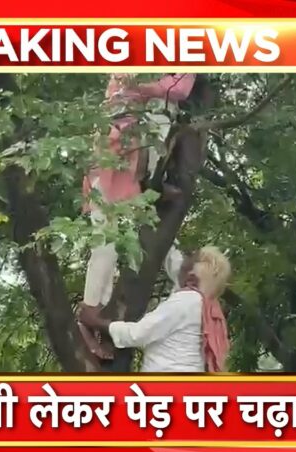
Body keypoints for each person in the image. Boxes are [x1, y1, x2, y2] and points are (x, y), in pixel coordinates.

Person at [79, 73, 196, 358]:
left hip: (131, 164)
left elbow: (178, 89)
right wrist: (137, 88)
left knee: (140, 243)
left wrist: (138, 86)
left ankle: (99, 320)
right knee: (105, 244)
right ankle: (89, 315)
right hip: (114, 156)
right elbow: (118, 91)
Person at [78, 246, 231, 373]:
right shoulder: (204, 305)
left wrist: (95, 321)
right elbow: (174, 260)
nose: (183, 262)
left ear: (192, 276)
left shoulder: (187, 300)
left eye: (189, 260)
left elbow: (137, 334)